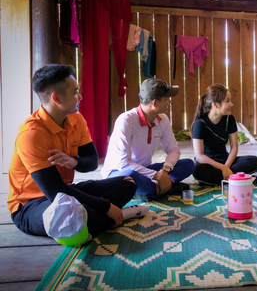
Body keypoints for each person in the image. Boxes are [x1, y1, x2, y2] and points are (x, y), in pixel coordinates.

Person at [8, 64, 137, 238]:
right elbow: (55, 191)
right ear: (57, 98)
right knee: (68, 214)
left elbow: (91, 161)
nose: (80, 96)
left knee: (128, 182)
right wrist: (106, 206)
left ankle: (90, 221)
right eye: (75, 91)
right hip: (31, 204)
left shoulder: (76, 119)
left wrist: (74, 162)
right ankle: (116, 215)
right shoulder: (31, 134)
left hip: (67, 192)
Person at [102, 78, 194, 200]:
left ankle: (148, 191)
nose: (169, 102)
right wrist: (157, 176)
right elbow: (123, 164)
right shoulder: (126, 121)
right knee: (131, 176)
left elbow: (174, 150)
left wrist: (164, 171)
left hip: (146, 171)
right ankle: (165, 188)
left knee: (188, 164)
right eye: (166, 99)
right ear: (154, 103)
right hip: (118, 172)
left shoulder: (163, 120)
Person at [191, 84, 257, 185]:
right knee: (196, 170)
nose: (231, 104)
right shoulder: (200, 124)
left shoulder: (229, 119)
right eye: (227, 101)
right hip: (208, 163)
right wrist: (222, 168)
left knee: (254, 160)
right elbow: (199, 156)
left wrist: (226, 167)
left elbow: (234, 148)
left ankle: (223, 178)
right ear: (215, 104)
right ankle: (237, 178)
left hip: (226, 160)